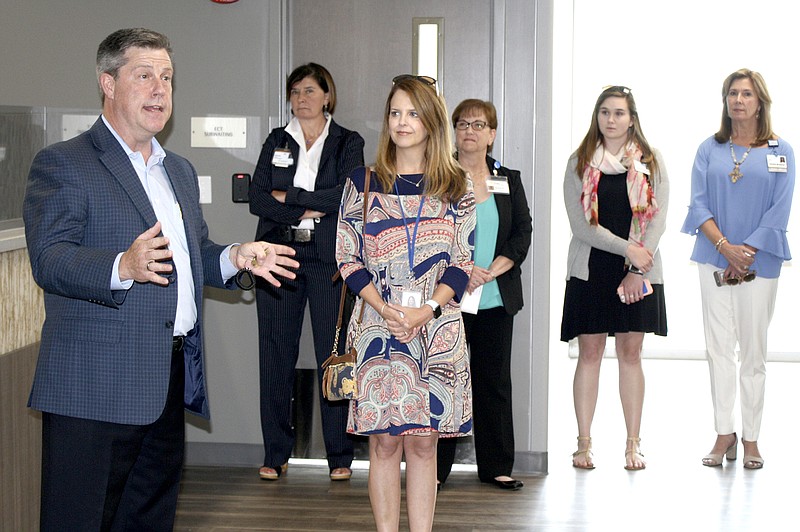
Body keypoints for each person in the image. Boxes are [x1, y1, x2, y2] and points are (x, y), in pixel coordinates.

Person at [22, 28, 299, 532]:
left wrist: (237, 256)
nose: (160, 89)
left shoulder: (180, 172)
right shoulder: (65, 163)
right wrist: (120, 267)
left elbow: (191, 258)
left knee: (149, 519)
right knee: (81, 520)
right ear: (107, 83)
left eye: (167, 77)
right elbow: (50, 258)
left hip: (167, 381)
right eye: (144, 75)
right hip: (94, 387)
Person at [336, 75, 475, 531]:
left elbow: (461, 260)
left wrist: (425, 310)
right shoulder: (363, 181)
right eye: (395, 113)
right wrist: (384, 309)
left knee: (423, 444)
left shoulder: (456, 184)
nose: (402, 122)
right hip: (378, 327)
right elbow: (346, 256)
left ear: (431, 121)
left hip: (435, 328)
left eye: (413, 113)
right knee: (383, 446)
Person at [249, 63, 364, 481]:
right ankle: (276, 453)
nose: (301, 98)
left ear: (327, 96)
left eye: (310, 90)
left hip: (329, 261)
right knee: (275, 354)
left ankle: (340, 457)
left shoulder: (348, 141)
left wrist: (292, 197)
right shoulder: (277, 140)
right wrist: (311, 205)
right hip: (278, 256)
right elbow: (258, 198)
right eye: (295, 91)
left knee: (331, 355)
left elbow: (350, 194)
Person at [681, 69, 794, 470]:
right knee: (718, 351)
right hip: (714, 256)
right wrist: (725, 248)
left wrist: (744, 251)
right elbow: (698, 205)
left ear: (760, 102)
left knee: (753, 353)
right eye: (732, 93)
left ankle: (750, 439)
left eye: (747, 93)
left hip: (759, 261)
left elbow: (780, 210)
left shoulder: (781, 151)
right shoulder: (709, 149)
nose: (738, 100)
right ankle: (723, 433)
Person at [560, 86, 669, 471]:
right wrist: (628, 250)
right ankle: (584, 444)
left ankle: (633, 445)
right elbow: (582, 226)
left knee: (631, 354)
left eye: (619, 113)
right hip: (593, 269)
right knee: (589, 354)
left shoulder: (650, 163)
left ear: (632, 118)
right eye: (604, 112)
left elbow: (657, 220)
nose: (611, 119)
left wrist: (638, 268)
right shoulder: (579, 162)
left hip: (638, 272)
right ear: (597, 117)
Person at [436, 99, 531, 490]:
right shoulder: (439, 178)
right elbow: (431, 235)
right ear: (453, 132)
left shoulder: (508, 178)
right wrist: (462, 270)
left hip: (494, 297)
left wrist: (493, 269)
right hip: (448, 299)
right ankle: (435, 472)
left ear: (492, 134)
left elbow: (522, 232)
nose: (470, 131)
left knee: (493, 383)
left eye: (479, 125)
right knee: (444, 382)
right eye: (462, 124)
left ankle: (496, 466)